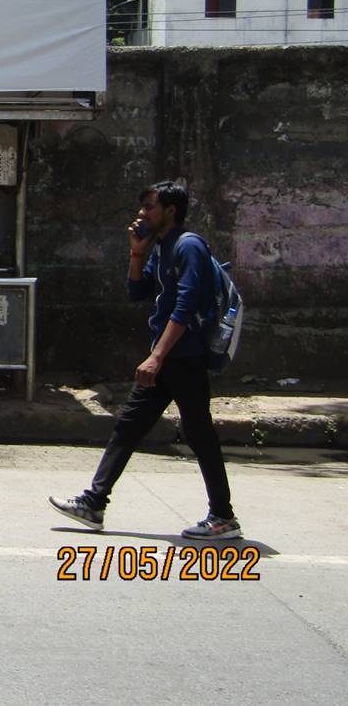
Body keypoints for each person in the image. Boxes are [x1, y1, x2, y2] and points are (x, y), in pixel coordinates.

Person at [49, 180, 241, 540]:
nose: (141, 214)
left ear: (170, 211)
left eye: (149, 207)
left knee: (199, 434)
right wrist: (137, 254)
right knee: (129, 427)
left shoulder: (189, 247)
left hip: (185, 358)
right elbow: (138, 291)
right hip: (169, 359)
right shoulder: (162, 246)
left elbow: (185, 307)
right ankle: (93, 502)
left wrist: (156, 356)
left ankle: (223, 517)